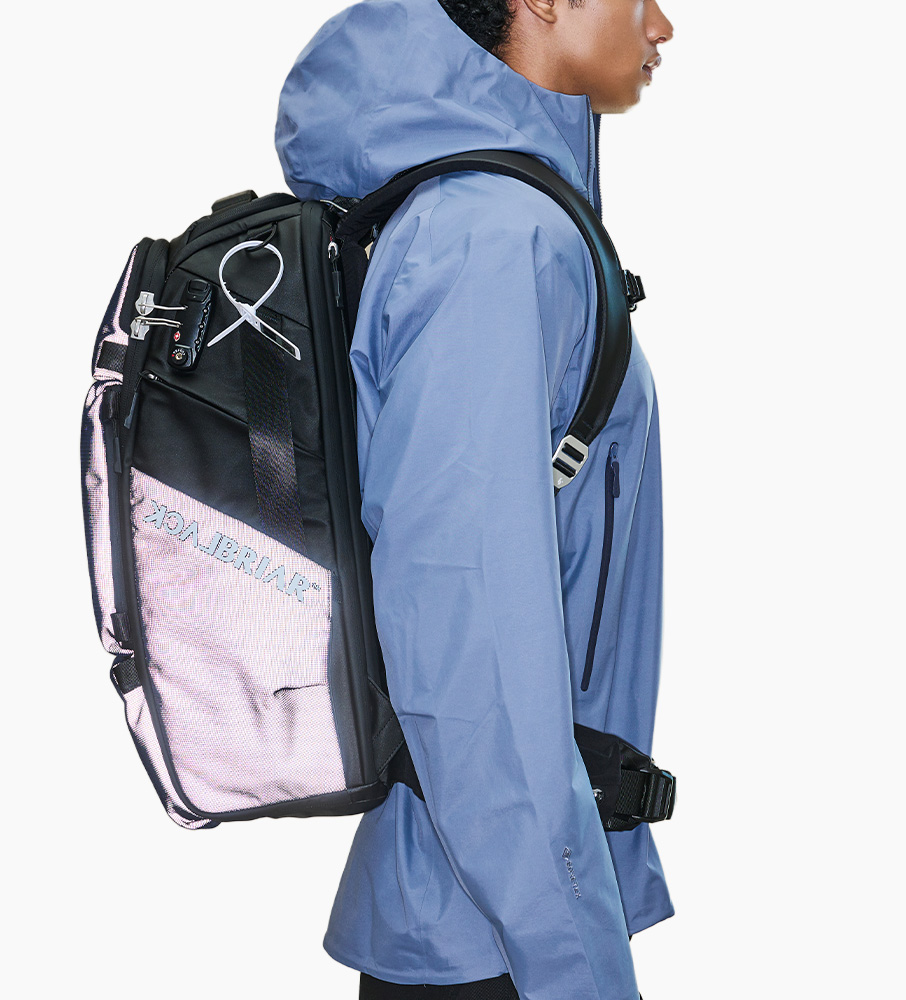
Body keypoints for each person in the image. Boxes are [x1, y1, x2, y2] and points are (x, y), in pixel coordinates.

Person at [275, 0, 674, 997]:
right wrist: (578, 970)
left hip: (499, 914)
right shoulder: (491, 239)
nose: (663, 25)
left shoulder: (509, 218)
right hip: (499, 936)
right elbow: (469, 648)